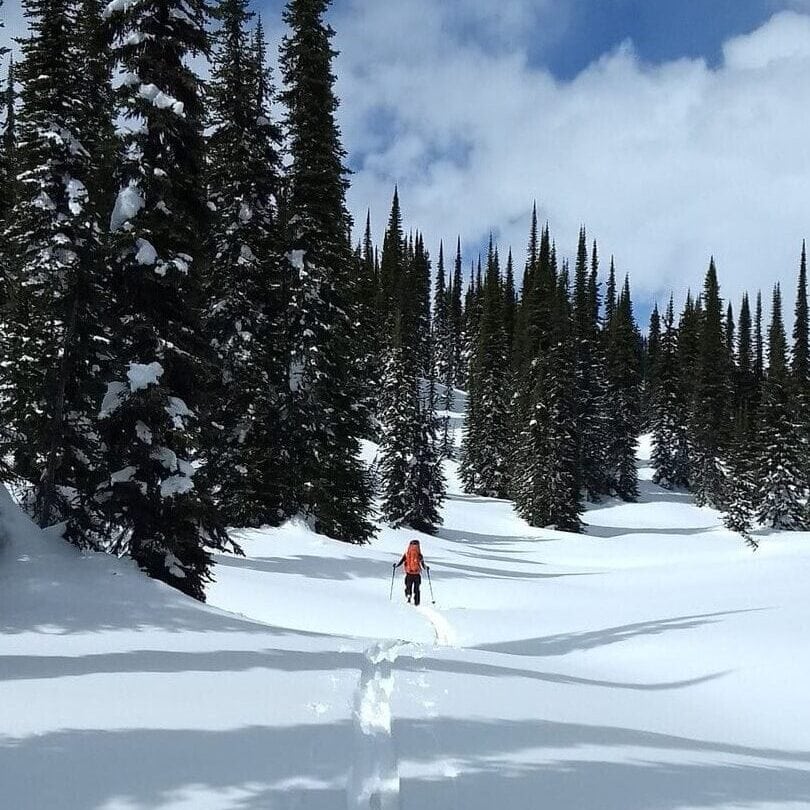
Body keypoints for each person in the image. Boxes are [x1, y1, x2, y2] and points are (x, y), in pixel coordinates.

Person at [393, 539, 429, 606]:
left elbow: (401, 561)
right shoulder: (419, 555)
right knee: (417, 589)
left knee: (408, 586)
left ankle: (408, 596)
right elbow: (423, 564)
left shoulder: (406, 554)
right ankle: (417, 602)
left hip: (409, 574)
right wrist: (426, 568)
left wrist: (396, 566)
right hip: (417, 574)